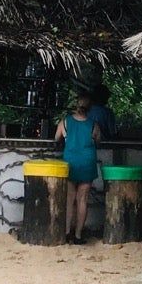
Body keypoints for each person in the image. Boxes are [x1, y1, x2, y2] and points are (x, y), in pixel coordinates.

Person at [55, 92, 103, 245]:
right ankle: (78, 236)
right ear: (90, 108)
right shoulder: (94, 125)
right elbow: (99, 141)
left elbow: (57, 138)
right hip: (87, 162)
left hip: (70, 162)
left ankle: (67, 233)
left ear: (76, 105)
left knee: (69, 199)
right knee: (82, 200)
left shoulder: (65, 122)